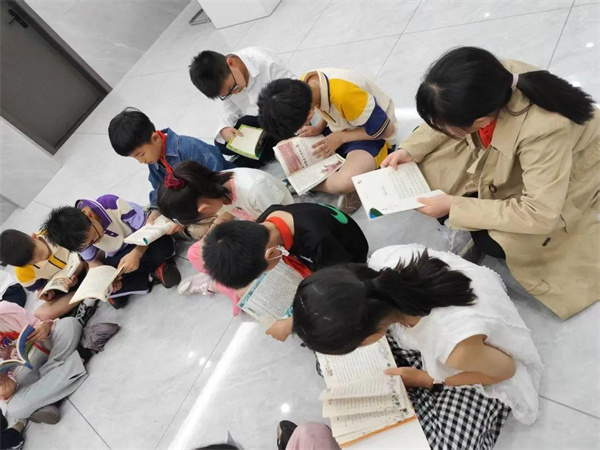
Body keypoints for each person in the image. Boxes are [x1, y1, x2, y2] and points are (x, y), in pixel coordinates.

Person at [381, 46, 599, 320]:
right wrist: (409, 150)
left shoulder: (545, 130)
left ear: (482, 121)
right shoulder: (486, 78)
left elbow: (540, 213)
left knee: (497, 241)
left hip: (567, 166)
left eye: (446, 126)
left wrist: (454, 206)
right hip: (510, 150)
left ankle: (467, 215)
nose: (440, 128)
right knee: (421, 166)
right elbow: (443, 116)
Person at [293, 244, 544, 448]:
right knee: (326, 361)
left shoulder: (453, 347)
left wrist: (429, 380)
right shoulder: (381, 263)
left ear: (371, 335)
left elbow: (505, 370)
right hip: (447, 326)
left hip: (482, 362)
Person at [202, 202, 368, 340]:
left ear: (271, 254)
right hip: (325, 245)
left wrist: (291, 323)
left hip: (348, 257)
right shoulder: (266, 221)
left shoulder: (317, 242)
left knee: (327, 320)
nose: (262, 276)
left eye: (261, 274)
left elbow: (342, 287)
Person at [257, 70, 397, 212]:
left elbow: (388, 130)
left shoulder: (344, 94)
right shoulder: (304, 86)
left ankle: (306, 183)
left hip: (370, 135)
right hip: (339, 128)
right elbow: (329, 107)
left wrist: (341, 137)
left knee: (345, 182)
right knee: (281, 149)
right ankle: (321, 180)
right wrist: (319, 127)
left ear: (309, 116)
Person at [156, 161, 294, 298]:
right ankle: (224, 281)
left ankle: (216, 285)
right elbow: (224, 217)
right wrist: (210, 242)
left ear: (204, 208)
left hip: (276, 236)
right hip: (252, 229)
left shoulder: (255, 189)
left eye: (202, 218)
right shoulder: (214, 189)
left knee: (247, 289)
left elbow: (282, 228)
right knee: (195, 252)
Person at [108, 107, 234, 239]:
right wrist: (155, 210)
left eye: (141, 154)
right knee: (168, 224)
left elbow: (218, 177)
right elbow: (159, 188)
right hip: (194, 201)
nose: (141, 161)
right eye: (135, 158)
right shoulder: (154, 160)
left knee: (198, 231)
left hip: (219, 195)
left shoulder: (188, 148)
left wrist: (185, 216)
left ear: (155, 138)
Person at [42, 195, 181, 309]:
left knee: (162, 245)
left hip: (143, 240)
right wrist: (108, 279)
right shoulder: (80, 237)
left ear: (90, 216)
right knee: (106, 277)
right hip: (119, 254)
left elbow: (149, 228)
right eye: (89, 244)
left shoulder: (111, 204)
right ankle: (155, 272)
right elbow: (93, 262)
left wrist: (137, 253)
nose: (95, 243)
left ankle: (147, 276)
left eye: (93, 239)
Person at [0, 301, 118, 424]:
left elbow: (38, 325)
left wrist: (45, 327)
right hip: (23, 375)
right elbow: (4, 395)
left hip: (46, 348)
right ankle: (83, 351)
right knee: (15, 409)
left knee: (69, 324)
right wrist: (7, 390)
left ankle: (47, 400)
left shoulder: (5, 310)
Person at [189, 47, 296, 168]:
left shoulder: (267, 63)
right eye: (227, 94)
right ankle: (265, 150)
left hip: (283, 116)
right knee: (221, 143)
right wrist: (224, 127)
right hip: (261, 119)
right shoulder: (225, 78)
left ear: (231, 63)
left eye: (233, 88)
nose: (235, 93)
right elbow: (230, 108)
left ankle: (262, 154)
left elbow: (298, 93)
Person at [0, 229, 93, 323]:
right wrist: (45, 294)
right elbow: (40, 288)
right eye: (34, 262)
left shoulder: (54, 232)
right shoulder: (23, 272)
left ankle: (85, 293)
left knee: (92, 259)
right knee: (41, 315)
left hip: (85, 267)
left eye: (40, 253)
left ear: (34, 237)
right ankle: (86, 292)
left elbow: (84, 248)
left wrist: (76, 272)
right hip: (67, 288)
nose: (42, 259)